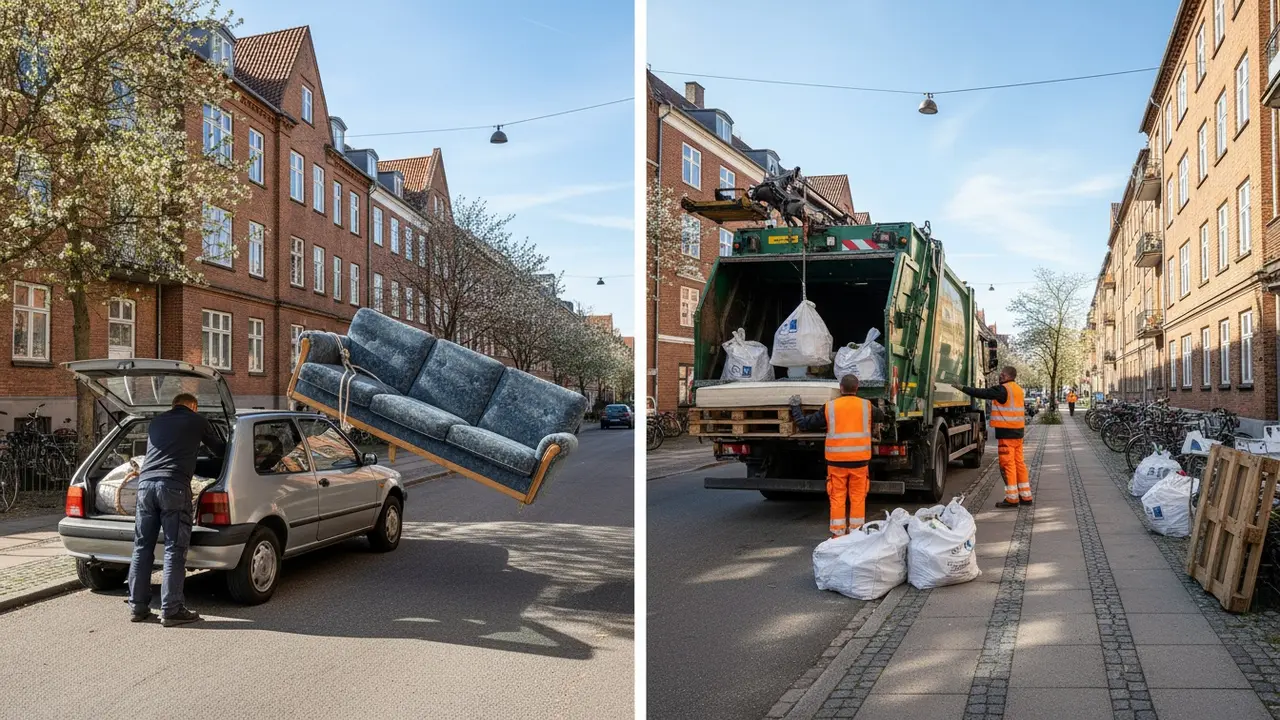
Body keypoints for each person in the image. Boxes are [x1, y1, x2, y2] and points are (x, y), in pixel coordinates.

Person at [127, 392, 225, 626]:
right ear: (193, 406)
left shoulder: (156, 421)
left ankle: (137, 607)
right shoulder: (197, 420)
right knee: (174, 548)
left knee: (142, 546)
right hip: (173, 487)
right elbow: (221, 451)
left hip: (145, 487)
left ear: (173, 405)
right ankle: (171, 609)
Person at [789, 375, 885, 538]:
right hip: (860, 462)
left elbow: (805, 424)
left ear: (840, 388)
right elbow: (881, 416)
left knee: (837, 497)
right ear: (857, 388)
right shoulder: (866, 406)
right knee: (858, 497)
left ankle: (838, 534)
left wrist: (795, 407)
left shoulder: (830, 407)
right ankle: (857, 533)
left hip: (836, 462)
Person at [958, 366, 1032, 508]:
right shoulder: (1017, 389)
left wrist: (963, 388)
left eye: (1002, 375)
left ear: (1008, 376)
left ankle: (1012, 498)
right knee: (1019, 463)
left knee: (1008, 465)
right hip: (1018, 432)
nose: (1000, 377)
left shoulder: (1003, 389)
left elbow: (982, 393)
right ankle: (1026, 496)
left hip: (1007, 434)